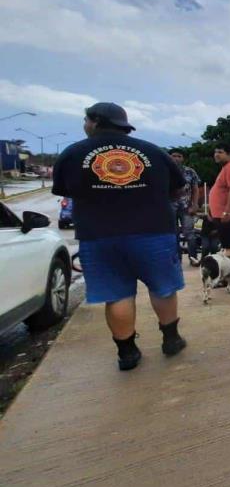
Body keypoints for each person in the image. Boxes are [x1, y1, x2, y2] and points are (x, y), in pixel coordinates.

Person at [52, 102, 186, 371]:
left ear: (95, 122)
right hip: (153, 232)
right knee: (163, 287)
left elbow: (64, 190)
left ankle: (127, 353)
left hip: (100, 235)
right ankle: (171, 340)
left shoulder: (73, 153)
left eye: (85, 120)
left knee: (118, 295)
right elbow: (176, 189)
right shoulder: (153, 152)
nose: (84, 125)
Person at [168, 148, 202, 266]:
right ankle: (176, 259)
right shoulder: (165, 171)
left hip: (186, 207)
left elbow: (196, 189)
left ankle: (193, 258)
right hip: (169, 208)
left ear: (183, 158)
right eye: (173, 156)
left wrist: (195, 204)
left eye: (179, 156)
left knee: (190, 233)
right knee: (173, 234)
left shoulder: (190, 172)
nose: (176, 158)